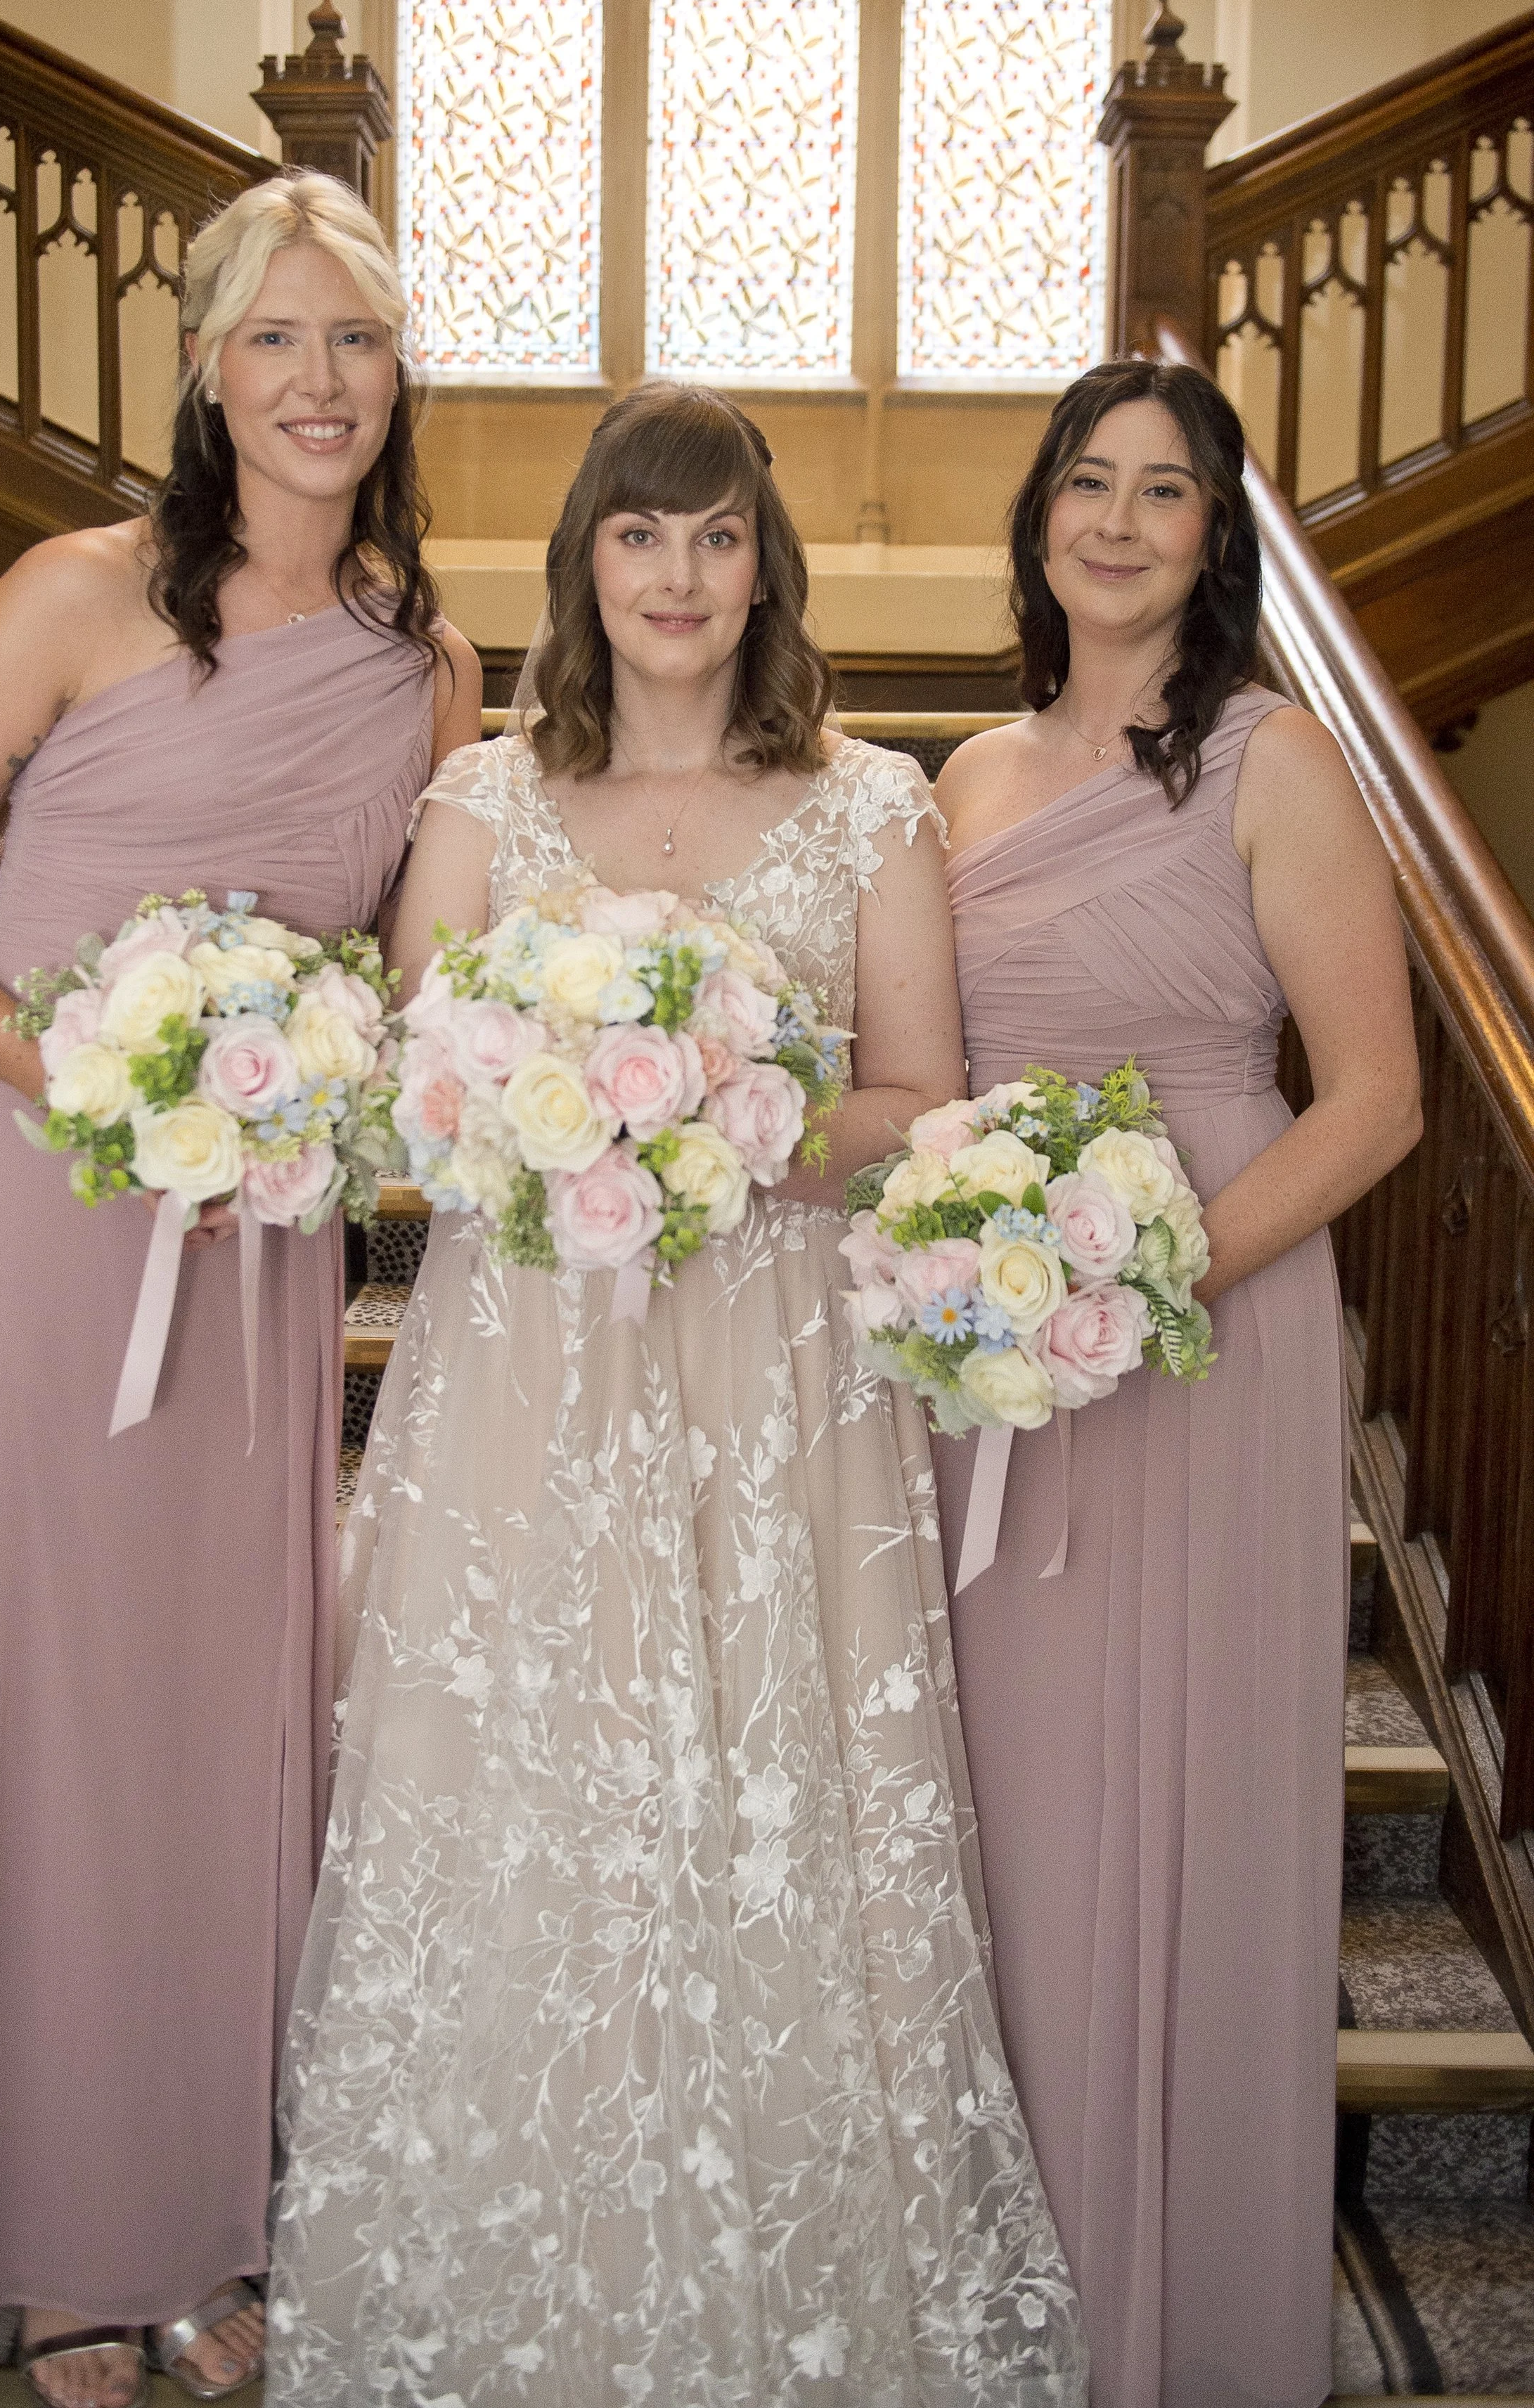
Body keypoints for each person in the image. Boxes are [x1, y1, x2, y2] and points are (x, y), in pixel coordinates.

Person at [266, 381, 1088, 2408]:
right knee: (528, 1787)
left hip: (775, 1373)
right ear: (582, 565)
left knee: (769, 1791)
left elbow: (915, 1100)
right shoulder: (478, 801)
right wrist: (551, 1134)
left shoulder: (870, 802)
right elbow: (411, 1100)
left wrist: (736, 1110)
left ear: (764, 567)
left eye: (715, 538)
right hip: (532, 1374)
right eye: (639, 537)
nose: (677, 577)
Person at [0, 173, 479, 2405]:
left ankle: (182, 2210)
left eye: (353, 342)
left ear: (399, 378)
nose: (315, 383)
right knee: (17, 1716)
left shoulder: (432, 659)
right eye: (272, 340)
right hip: (8, 1223)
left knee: (206, 1730)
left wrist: (400, 1092)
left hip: (248, 1249)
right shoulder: (74, 594)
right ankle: (35, 2235)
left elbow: (405, 982)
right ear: (201, 370)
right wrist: (83, 1068)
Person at [929, 359, 1422, 2408]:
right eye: (1086, 484)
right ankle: (1021, 2314)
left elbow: (1376, 1100)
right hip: (994, 1353)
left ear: (1212, 538)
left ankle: (1182, 2332)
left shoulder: (1268, 759)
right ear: (1039, 514)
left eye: (1163, 493)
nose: (1115, 522)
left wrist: (1136, 1283)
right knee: (1011, 1821)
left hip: (1206, 1311)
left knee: (1190, 1810)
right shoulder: (955, 777)